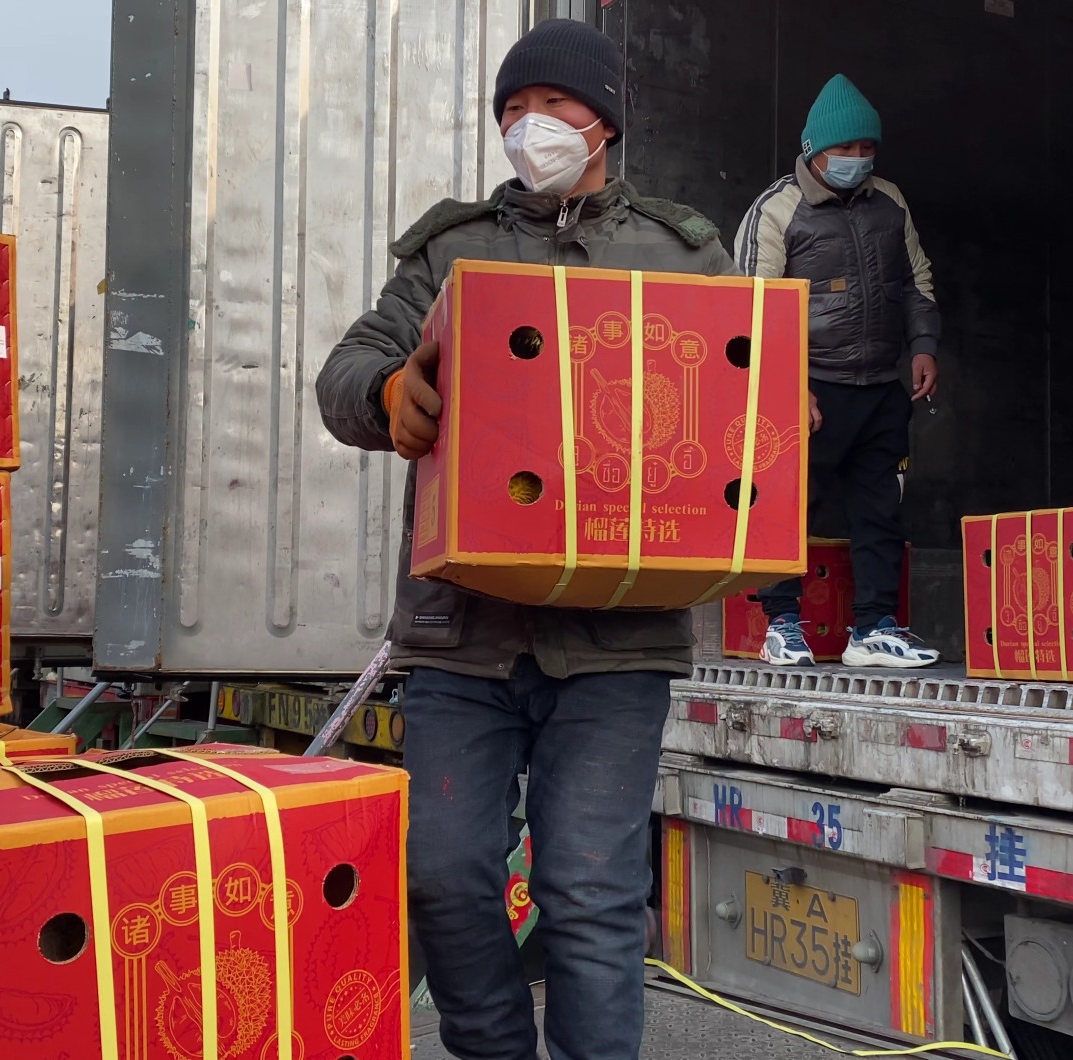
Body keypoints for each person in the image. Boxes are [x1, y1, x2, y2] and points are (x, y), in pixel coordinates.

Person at [315, 19, 736, 1060]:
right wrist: (388, 390)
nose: (528, 126)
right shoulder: (450, 249)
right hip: (462, 635)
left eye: (551, 105)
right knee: (444, 875)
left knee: (589, 890)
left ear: (606, 122)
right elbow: (348, 369)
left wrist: (781, 412)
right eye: (511, 110)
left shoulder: (684, 252)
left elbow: (747, 371)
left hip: (616, 640)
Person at [733, 73, 942, 669]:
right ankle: (780, 624)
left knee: (880, 511)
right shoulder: (777, 210)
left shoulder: (889, 200)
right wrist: (787, 386)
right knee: (786, 504)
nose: (857, 158)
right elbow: (751, 309)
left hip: (879, 387)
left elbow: (916, 279)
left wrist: (923, 345)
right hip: (809, 388)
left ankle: (874, 629)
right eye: (845, 148)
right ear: (814, 150)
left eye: (867, 147)